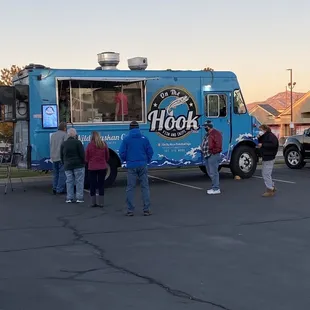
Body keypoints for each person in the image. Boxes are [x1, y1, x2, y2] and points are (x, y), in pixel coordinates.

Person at [119, 121, 154, 216]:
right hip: (142, 164)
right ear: (138, 128)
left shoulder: (126, 139)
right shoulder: (144, 138)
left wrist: (126, 160)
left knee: (130, 188)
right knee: (145, 187)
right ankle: (146, 209)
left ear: (130, 128)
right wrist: (147, 160)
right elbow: (150, 151)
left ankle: (130, 210)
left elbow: (122, 152)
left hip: (131, 165)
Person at [60, 128, 85, 203]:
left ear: (68, 134)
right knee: (79, 181)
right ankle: (79, 198)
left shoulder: (64, 143)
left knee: (69, 181)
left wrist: (64, 163)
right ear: (75, 134)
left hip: (67, 165)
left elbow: (61, 155)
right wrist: (83, 162)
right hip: (78, 165)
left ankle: (69, 197)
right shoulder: (78, 142)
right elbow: (82, 154)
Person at [85, 131, 110, 208]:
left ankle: (93, 203)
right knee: (101, 185)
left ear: (91, 137)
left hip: (92, 167)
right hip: (102, 167)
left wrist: (89, 162)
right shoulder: (104, 144)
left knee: (92, 185)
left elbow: (86, 157)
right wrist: (104, 161)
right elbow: (107, 156)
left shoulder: (89, 145)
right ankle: (101, 202)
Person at [201, 120, 222, 195]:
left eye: (206, 126)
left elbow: (218, 144)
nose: (205, 127)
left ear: (209, 126)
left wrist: (213, 151)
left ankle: (216, 188)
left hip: (213, 155)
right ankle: (214, 187)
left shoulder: (216, 133)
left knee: (214, 172)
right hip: (207, 155)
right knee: (210, 172)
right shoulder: (208, 134)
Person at [257, 124, 279, 197]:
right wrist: (259, 138)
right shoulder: (267, 136)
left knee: (266, 174)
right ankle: (272, 186)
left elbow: (273, 144)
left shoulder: (271, 136)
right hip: (266, 156)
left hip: (269, 157)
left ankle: (270, 189)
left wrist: (262, 145)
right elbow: (263, 142)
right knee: (266, 173)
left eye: (261, 130)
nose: (260, 131)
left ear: (264, 130)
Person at [50, 122, 67, 195]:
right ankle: (60, 189)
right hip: (61, 157)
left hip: (54, 157)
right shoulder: (65, 135)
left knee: (56, 174)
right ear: (64, 128)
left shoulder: (53, 135)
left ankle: (54, 187)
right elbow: (66, 146)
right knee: (62, 174)